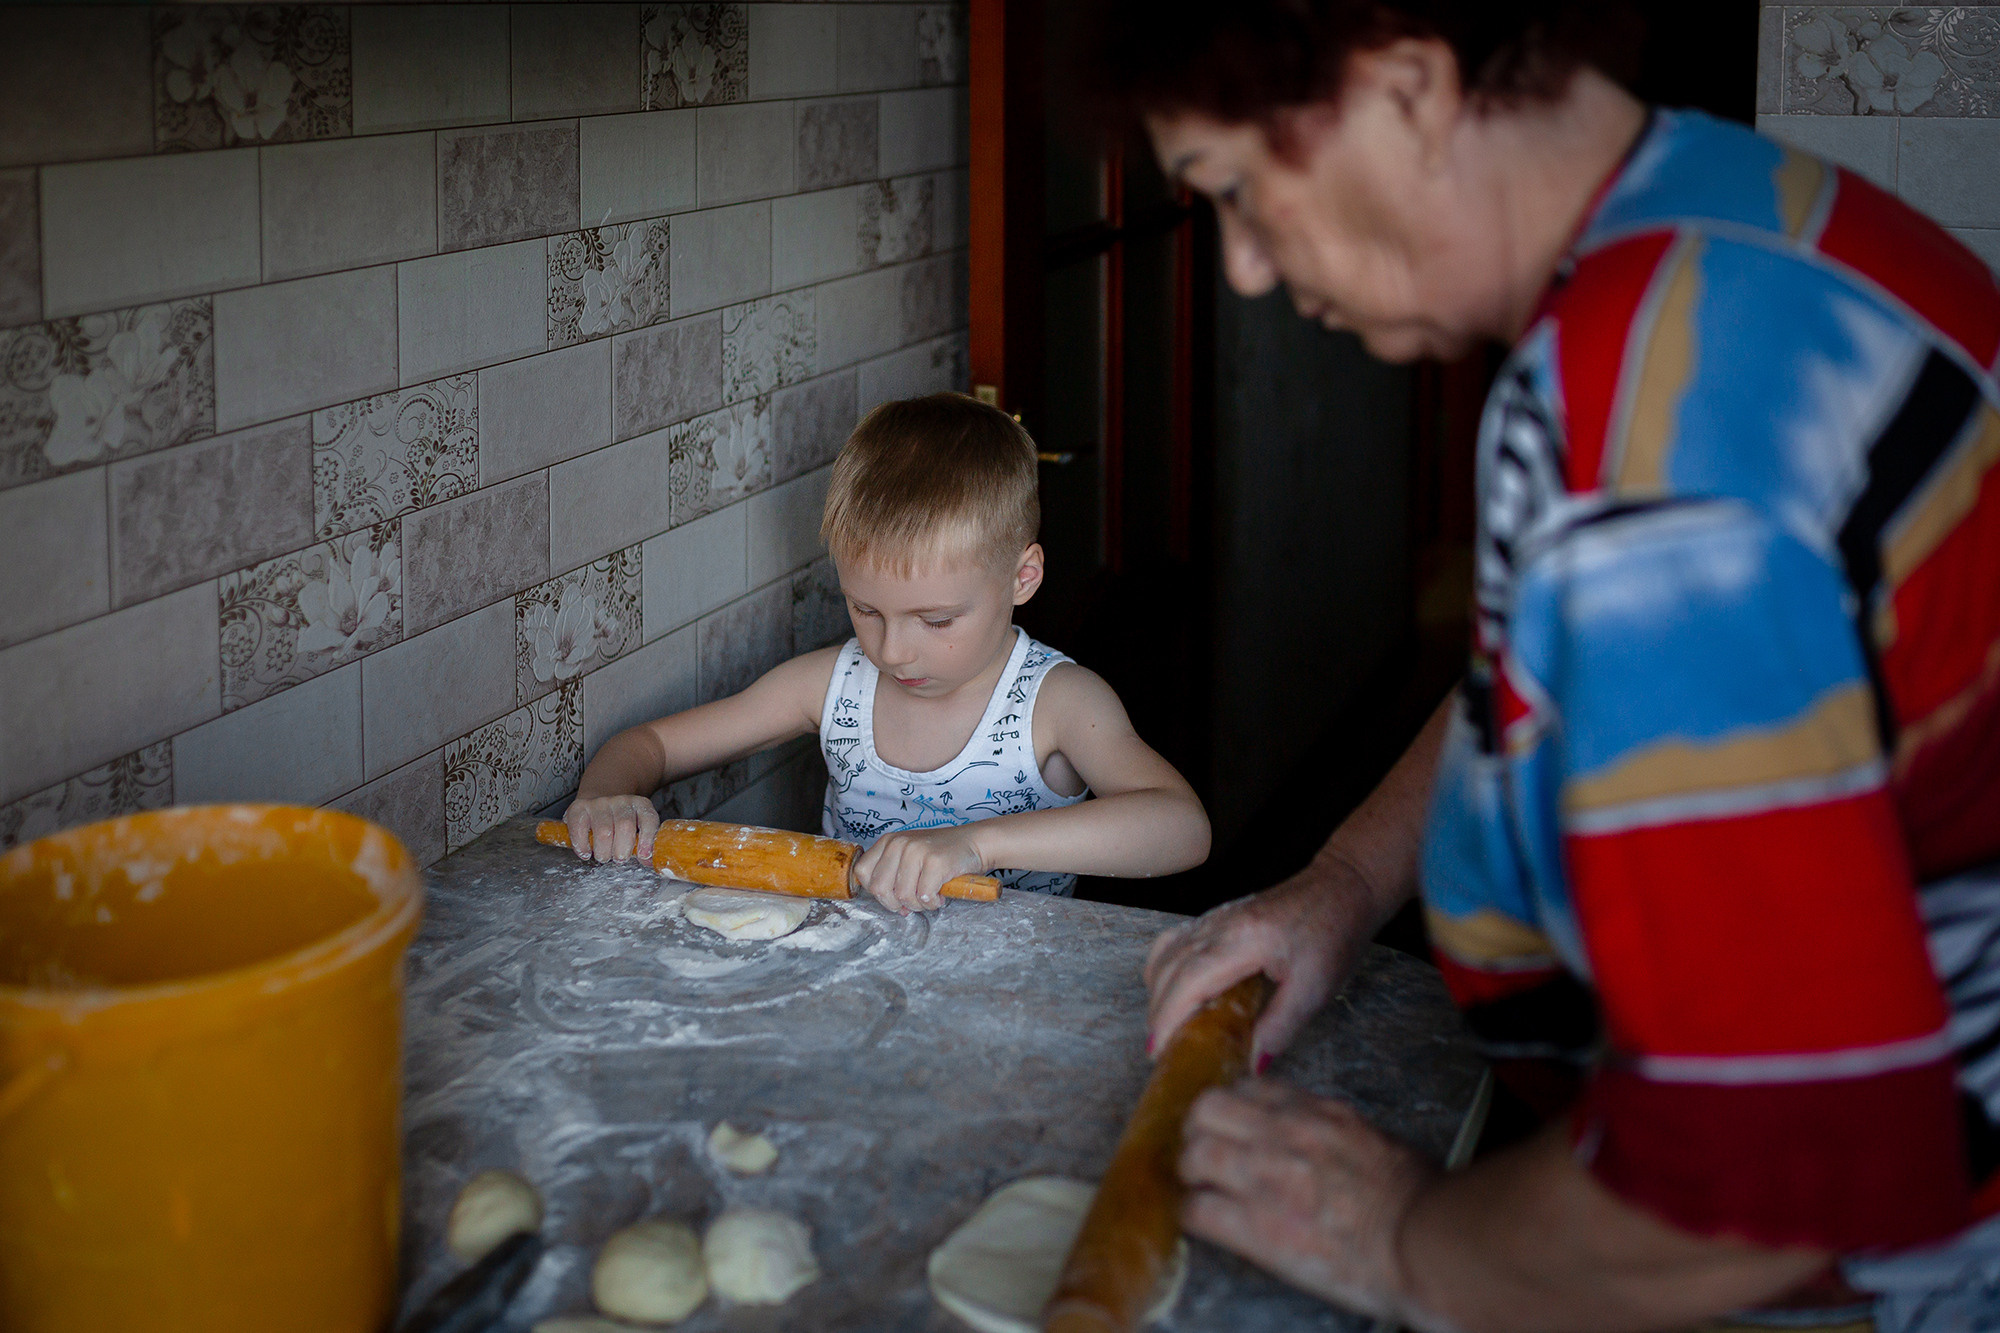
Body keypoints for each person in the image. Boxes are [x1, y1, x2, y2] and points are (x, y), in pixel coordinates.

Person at [1097, 1, 2000, 1329]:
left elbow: (1764, 1187)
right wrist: (1346, 880)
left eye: (1237, 190)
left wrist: (1406, 1234)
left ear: (1406, 87)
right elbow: (1542, 669)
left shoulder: (1648, 443)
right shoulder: (1730, 213)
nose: (1238, 268)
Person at [561, 392, 1212, 912]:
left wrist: (974, 844)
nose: (893, 650)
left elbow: (1181, 826)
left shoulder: (1058, 703)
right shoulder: (832, 687)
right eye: (866, 609)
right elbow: (650, 745)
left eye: (935, 618)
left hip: (1007, 1012)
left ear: (1023, 578)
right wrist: (608, 794)